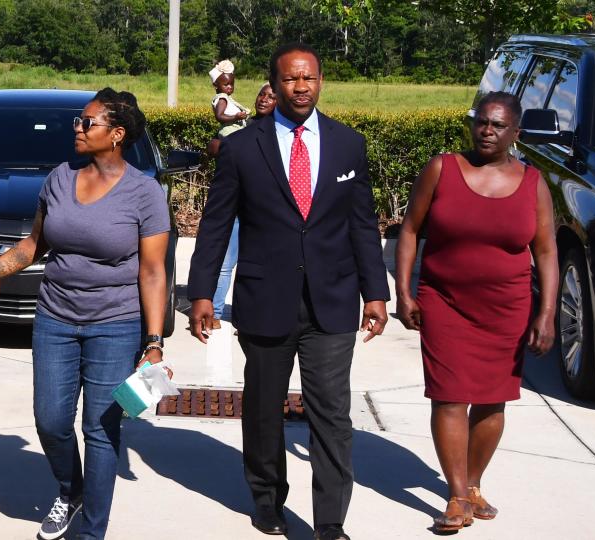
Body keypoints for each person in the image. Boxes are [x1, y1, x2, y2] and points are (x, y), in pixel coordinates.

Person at [188, 43, 390, 540]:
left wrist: (376, 293)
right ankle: (266, 498)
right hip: (264, 299)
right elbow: (216, 227)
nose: (301, 87)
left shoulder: (348, 145)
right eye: (291, 79)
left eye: (310, 78)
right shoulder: (241, 147)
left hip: (333, 299)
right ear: (274, 84)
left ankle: (329, 522)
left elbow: (363, 225)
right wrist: (201, 294)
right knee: (262, 411)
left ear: (321, 82)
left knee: (332, 415)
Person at [0, 88, 169, 540]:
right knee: (51, 420)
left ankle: (92, 531)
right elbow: (33, 246)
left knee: (100, 428)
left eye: (87, 123)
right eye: (79, 121)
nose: (77, 128)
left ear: (116, 135)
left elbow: (153, 273)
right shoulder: (60, 177)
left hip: (115, 324)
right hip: (56, 317)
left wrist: (153, 343)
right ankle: (70, 490)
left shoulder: (144, 192)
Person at [395, 91, 557, 533]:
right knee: (448, 395)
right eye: (481, 121)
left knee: (491, 400)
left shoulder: (533, 183)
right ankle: (456, 495)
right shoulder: (441, 169)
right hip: (444, 301)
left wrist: (546, 313)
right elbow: (409, 230)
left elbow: (545, 252)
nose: (488, 130)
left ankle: (473, 483)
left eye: (499, 125)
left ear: (515, 133)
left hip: (506, 308)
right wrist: (403, 291)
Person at [208, 82, 277, 327]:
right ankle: (214, 313)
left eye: (271, 97)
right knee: (225, 265)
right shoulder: (241, 126)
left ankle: (253, 317)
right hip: (237, 207)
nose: (264, 100)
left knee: (263, 267)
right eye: (262, 94)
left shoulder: (281, 132)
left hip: (266, 211)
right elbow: (215, 146)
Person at [210, 59, 251, 139]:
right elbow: (219, 116)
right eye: (226, 85)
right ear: (215, 85)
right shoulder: (222, 99)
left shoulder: (226, 98)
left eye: (232, 84)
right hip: (230, 130)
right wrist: (235, 117)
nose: (230, 87)